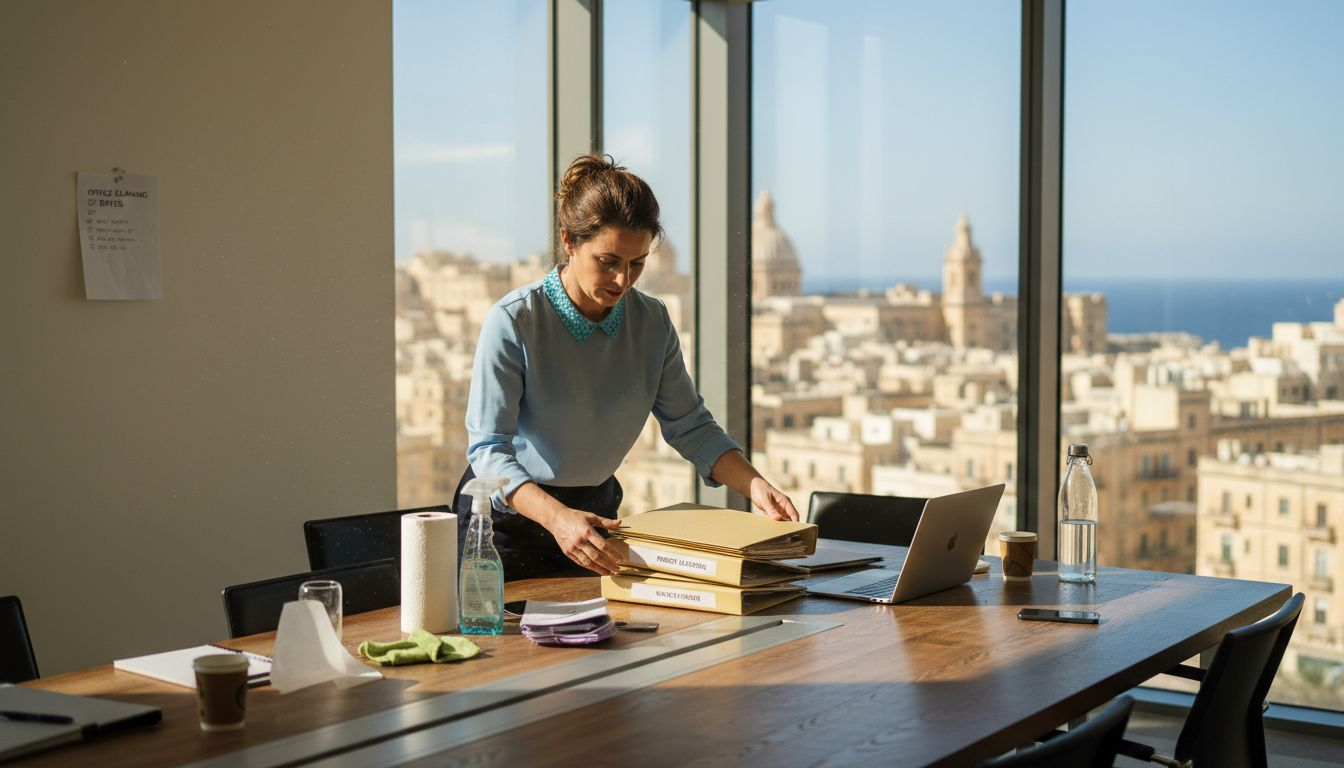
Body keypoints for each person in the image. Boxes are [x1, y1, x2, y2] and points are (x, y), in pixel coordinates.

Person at [453, 153, 799, 580]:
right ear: (568, 241)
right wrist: (558, 518)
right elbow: (488, 451)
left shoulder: (651, 322)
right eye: (608, 261)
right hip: (505, 525)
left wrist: (754, 485)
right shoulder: (514, 321)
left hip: (597, 520)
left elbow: (690, 426)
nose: (622, 280)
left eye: (637, 264)